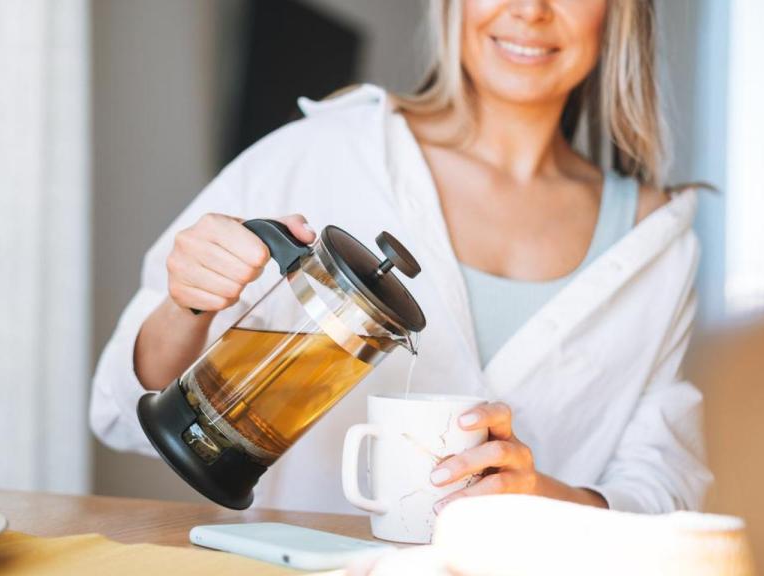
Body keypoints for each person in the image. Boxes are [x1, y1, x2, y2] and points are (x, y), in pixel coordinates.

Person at [91, 0, 712, 515]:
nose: (530, 11)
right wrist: (187, 304)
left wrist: (541, 500)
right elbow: (119, 414)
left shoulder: (654, 242)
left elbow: (667, 492)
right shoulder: (322, 150)